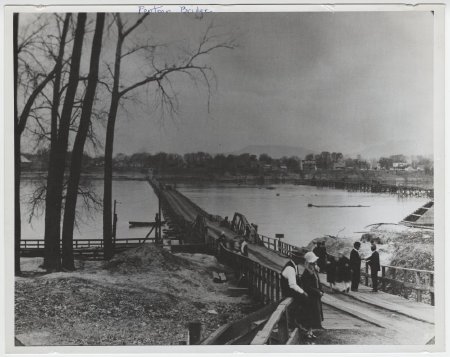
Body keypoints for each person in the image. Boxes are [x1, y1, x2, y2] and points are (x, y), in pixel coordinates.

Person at [281, 248, 309, 334]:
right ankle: (297, 322)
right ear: (294, 258)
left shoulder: (294, 265)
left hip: (290, 289)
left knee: (304, 299)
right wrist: (302, 292)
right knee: (304, 299)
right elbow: (292, 285)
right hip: (287, 290)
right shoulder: (290, 268)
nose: (301, 261)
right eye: (299, 259)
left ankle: (297, 321)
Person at [298, 251, 324, 339]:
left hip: (315, 297)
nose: (314, 264)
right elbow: (307, 287)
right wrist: (318, 292)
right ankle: (308, 332)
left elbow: (318, 282)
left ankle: (310, 331)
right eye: (312, 263)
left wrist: (321, 290)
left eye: (314, 263)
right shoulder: (306, 273)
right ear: (308, 263)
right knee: (310, 315)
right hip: (310, 297)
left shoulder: (313, 271)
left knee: (314, 315)